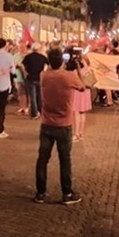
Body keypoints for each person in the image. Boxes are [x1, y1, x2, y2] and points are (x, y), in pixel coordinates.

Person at [33, 47, 82, 205]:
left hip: (47, 123)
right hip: (64, 124)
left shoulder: (44, 76)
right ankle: (66, 193)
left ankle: (40, 192)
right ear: (62, 60)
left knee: (43, 159)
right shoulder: (68, 77)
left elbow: (49, 72)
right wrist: (77, 68)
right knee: (65, 159)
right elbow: (83, 86)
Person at [66, 52, 91, 141]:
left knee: (76, 112)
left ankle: (76, 134)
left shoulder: (75, 72)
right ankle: (81, 133)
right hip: (86, 92)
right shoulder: (88, 69)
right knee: (82, 113)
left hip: (77, 92)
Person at [21, 43, 47, 120]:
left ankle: (34, 113)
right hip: (39, 78)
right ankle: (41, 111)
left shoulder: (28, 57)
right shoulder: (42, 57)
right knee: (40, 96)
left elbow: (22, 64)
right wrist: (44, 72)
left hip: (30, 78)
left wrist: (25, 72)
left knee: (32, 97)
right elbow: (48, 64)